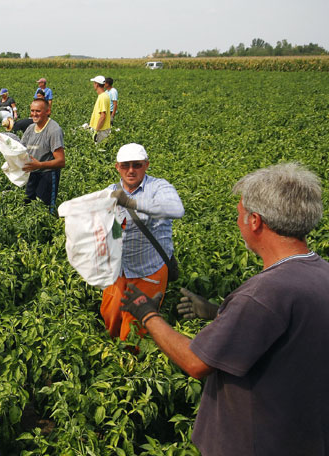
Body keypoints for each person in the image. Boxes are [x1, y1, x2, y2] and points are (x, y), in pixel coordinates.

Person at [119, 162, 328, 455]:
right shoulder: (321, 274)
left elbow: (196, 363)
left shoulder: (264, 293)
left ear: (255, 221)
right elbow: (285, 332)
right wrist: (218, 311)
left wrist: (147, 313)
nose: (239, 222)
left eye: (240, 215)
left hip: (256, 443)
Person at [100, 143, 184, 340]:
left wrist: (131, 203)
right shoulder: (111, 190)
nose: (131, 170)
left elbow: (176, 209)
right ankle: (112, 354)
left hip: (149, 268)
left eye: (136, 165)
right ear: (117, 167)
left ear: (146, 165)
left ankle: (131, 364)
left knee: (135, 327)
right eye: (125, 165)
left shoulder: (159, 187)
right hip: (119, 269)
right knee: (110, 314)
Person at [20, 98, 65, 214]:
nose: (34, 114)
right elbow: (21, 149)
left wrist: (39, 165)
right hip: (32, 173)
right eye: (32, 110)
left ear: (47, 111)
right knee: (27, 205)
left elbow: (61, 161)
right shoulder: (30, 128)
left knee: (44, 210)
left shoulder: (54, 130)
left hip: (48, 175)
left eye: (38, 111)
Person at [89, 75, 111, 143]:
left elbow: (102, 116)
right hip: (101, 129)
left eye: (94, 83)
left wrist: (96, 131)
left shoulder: (102, 97)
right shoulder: (104, 96)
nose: (93, 85)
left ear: (97, 84)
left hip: (101, 131)